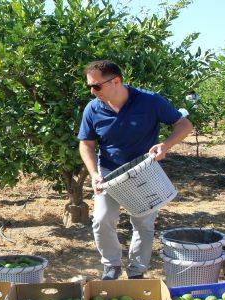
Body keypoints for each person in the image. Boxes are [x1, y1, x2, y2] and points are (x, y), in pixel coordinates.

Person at [78, 60, 193, 280]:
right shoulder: (93, 109)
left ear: (116, 81)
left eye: (97, 86)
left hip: (144, 172)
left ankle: (137, 271)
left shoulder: (150, 101)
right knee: (102, 219)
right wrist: (94, 174)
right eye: (89, 87)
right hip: (109, 173)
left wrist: (165, 145)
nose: (93, 92)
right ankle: (111, 266)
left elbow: (185, 125)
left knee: (143, 223)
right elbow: (86, 144)